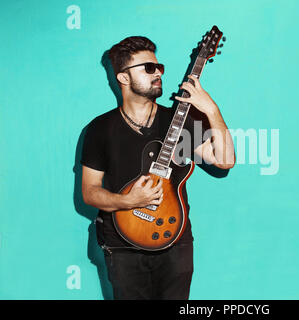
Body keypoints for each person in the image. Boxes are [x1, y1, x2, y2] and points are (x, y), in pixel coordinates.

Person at [80, 36, 235, 300]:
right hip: (122, 244)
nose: (158, 73)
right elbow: (89, 192)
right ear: (123, 78)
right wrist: (126, 200)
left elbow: (225, 160)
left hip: (174, 240)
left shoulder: (179, 120)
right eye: (148, 68)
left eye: (159, 66)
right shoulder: (99, 129)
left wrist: (211, 109)